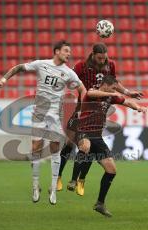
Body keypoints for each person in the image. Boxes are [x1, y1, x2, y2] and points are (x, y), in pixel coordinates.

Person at [0, 40, 86, 205]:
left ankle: (53, 188)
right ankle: (35, 185)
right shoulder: (42, 64)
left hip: (55, 116)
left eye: (69, 51)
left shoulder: (68, 73)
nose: (69, 54)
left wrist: (80, 109)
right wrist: (4, 80)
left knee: (56, 148)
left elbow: (82, 89)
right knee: (36, 148)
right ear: (56, 51)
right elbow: (19, 67)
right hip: (39, 114)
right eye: (66, 51)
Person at [57, 42, 143, 192]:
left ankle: (80, 179)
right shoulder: (81, 66)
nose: (102, 61)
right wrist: (81, 90)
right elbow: (69, 78)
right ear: (93, 55)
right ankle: (58, 176)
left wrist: (127, 93)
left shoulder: (110, 65)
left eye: (104, 58)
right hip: (82, 106)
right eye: (99, 58)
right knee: (69, 142)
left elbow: (114, 83)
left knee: (90, 144)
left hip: (98, 111)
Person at [70, 75, 147, 217]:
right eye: (113, 88)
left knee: (111, 170)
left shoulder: (110, 97)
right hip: (83, 131)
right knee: (85, 146)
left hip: (97, 136)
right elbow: (90, 93)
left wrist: (138, 107)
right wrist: (112, 93)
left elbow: (126, 101)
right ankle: (74, 180)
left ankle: (100, 203)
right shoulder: (93, 92)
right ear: (105, 85)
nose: (115, 91)